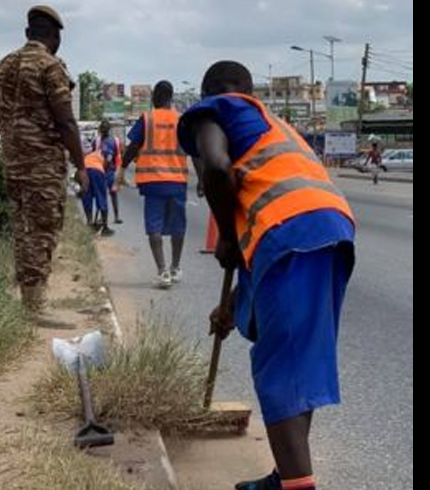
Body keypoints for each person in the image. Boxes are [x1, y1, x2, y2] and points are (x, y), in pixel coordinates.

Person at [178, 61, 357, 490]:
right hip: (330, 230)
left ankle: (297, 485)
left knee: (280, 369)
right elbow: (266, 248)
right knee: (298, 360)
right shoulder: (274, 128)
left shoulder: (213, 111)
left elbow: (218, 169)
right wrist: (230, 305)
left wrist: (224, 236)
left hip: (292, 233)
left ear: (210, 93)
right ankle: (287, 477)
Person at [0, 5, 88, 313]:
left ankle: (28, 294)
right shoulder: (50, 66)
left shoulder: (4, 66)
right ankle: (35, 306)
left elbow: (0, 116)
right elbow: (66, 121)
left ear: (27, 33)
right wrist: (81, 166)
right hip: (42, 165)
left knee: (24, 228)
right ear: (54, 36)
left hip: (13, 162)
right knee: (42, 230)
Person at [118, 81, 189, 289]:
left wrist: (122, 169)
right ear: (171, 97)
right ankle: (175, 267)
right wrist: (202, 179)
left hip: (152, 182)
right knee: (178, 226)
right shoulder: (181, 120)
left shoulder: (147, 119)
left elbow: (133, 147)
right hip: (177, 181)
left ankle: (162, 271)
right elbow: (194, 151)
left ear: (154, 97)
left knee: (154, 225)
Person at [96, 120, 124, 224]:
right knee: (112, 195)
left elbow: (110, 157)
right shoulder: (114, 141)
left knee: (103, 195)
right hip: (110, 170)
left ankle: (102, 218)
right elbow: (118, 154)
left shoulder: (98, 141)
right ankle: (115, 217)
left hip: (104, 170)